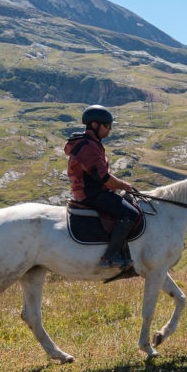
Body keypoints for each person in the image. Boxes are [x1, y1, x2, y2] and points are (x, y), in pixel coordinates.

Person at [64, 105, 139, 268]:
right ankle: (110, 256)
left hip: (94, 190)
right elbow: (103, 177)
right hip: (91, 193)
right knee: (131, 214)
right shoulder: (88, 147)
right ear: (94, 125)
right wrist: (124, 185)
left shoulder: (90, 143)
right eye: (107, 125)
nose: (109, 129)